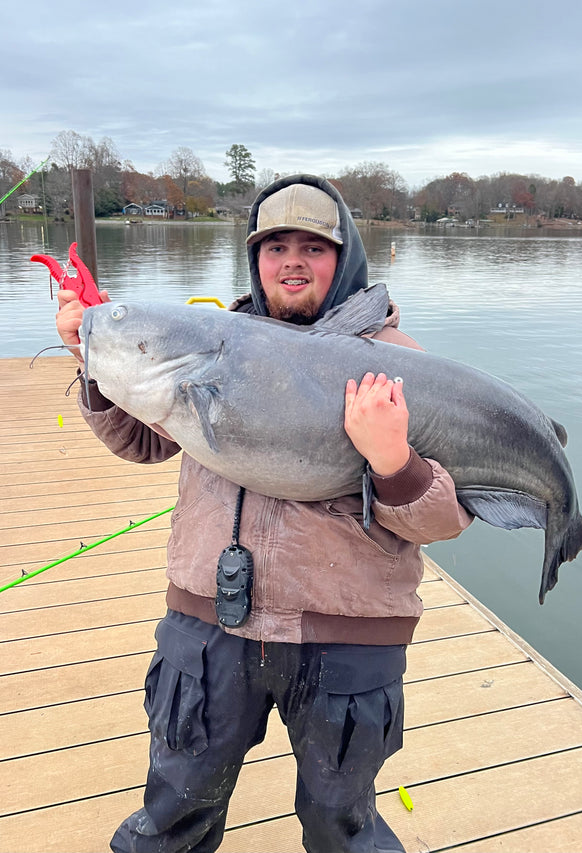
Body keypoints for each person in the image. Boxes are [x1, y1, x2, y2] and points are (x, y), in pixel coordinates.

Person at [56, 174, 472, 853]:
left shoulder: (400, 368)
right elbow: (139, 441)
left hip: (348, 641)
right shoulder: (207, 342)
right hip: (208, 626)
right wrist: (94, 358)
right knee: (171, 817)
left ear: (345, 257)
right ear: (256, 259)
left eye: (314, 247)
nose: (292, 262)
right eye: (276, 246)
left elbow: (445, 520)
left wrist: (394, 461)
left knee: (343, 830)